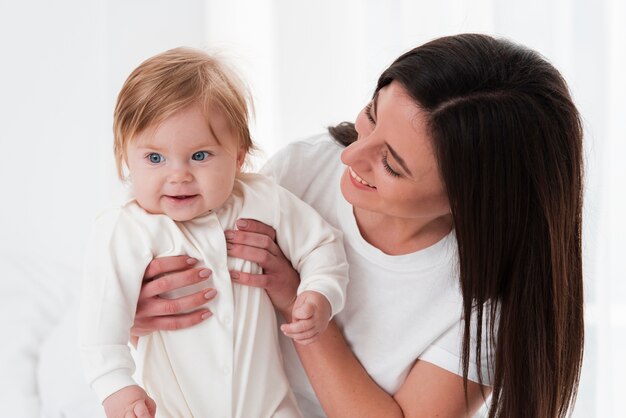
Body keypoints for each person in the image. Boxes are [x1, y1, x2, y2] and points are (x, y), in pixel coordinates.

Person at [132, 33, 585, 418]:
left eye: (390, 163)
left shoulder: (486, 305)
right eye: (370, 116)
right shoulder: (302, 170)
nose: (350, 155)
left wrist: (297, 300)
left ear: (469, 201)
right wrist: (143, 311)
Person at [79, 47, 349, 418]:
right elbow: (100, 326)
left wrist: (320, 293)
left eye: (200, 156)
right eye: (155, 158)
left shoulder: (262, 199)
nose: (179, 175)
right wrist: (118, 388)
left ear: (238, 156)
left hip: (270, 408)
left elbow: (322, 246)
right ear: (126, 157)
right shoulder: (125, 231)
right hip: (176, 409)